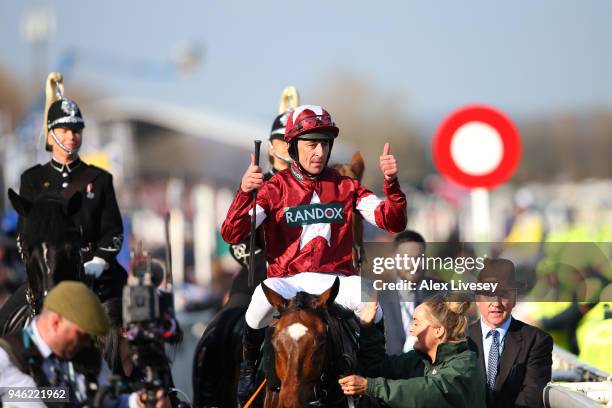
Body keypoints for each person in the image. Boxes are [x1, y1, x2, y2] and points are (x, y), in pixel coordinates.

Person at [221, 104, 408, 403]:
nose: (319, 152)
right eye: (311, 144)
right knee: (257, 303)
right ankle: (247, 372)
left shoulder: (347, 186)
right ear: (293, 147)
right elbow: (232, 233)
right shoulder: (273, 189)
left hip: (336, 281)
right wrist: (244, 192)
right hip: (287, 280)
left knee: (372, 301)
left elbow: (393, 221)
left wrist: (392, 184)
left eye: (324, 144)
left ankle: (375, 376)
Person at [0, 281, 169, 407]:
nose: (87, 342)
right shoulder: (7, 356)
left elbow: (112, 402)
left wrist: (137, 402)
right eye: (81, 334)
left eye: (90, 336)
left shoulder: (88, 358)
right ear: (56, 322)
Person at [339, 293, 486, 408]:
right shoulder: (417, 359)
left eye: (416, 322)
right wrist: (368, 328)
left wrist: (372, 386)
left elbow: (429, 392)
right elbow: (377, 369)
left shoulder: (465, 365)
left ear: (438, 331)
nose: (410, 328)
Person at [467, 258, 553, 408]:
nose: (496, 302)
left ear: (514, 298)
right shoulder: (460, 338)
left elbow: (531, 397)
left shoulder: (537, 340)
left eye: (504, 294)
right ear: (477, 299)